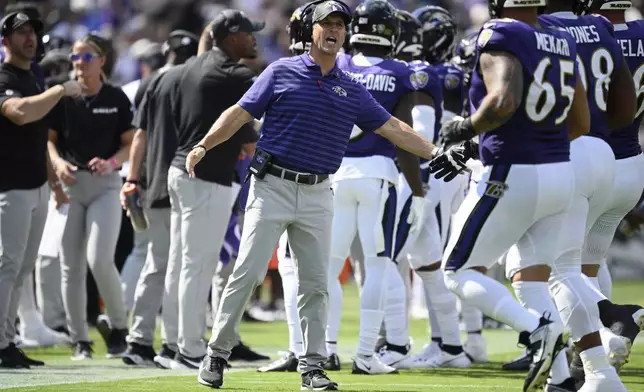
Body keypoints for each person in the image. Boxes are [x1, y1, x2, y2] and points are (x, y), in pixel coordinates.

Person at [188, 1, 441, 389]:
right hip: (271, 185)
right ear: (312, 30)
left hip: (319, 191)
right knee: (248, 273)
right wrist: (204, 145)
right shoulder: (281, 71)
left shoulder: (351, 88)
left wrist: (437, 152)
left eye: (340, 24)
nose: (334, 30)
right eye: (327, 24)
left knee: (317, 284)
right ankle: (217, 353)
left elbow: (394, 128)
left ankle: (312, 367)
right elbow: (239, 113)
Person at [429, 0, 592, 389]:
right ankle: (562, 379)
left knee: (456, 271)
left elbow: (503, 99)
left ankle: (536, 329)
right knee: (532, 281)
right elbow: (582, 121)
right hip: (559, 171)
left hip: (513, 170)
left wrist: (466, 126)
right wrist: (540, 147)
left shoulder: (502, 33)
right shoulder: (561, 39)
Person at [326, 0, 429, 375]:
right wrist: (417, 191)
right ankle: (366, 355)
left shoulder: (337, 64)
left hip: (336, 175)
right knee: (379, 266)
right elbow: (402, 135)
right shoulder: (401, 72)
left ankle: (326, 349)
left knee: (330, 268)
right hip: (379, 175)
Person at [538, 3, 637, 390]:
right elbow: (625, 106)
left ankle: (594, 342)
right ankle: (589, 367)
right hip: (617, 156)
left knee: (549, 268)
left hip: (573, 151)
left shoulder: (542, 29)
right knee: (582, 265)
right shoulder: (601, 28)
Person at [164, 9, 262, 370]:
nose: (254, 39)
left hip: (179, 170)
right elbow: (250, 139)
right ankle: (188, 349)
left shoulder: (188, 67)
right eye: (250, 33)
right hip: (207, 177)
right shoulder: (236, 74)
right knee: (197, 265)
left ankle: (171, 341)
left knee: (180, 263)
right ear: (233, 36)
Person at [378, 8, 469, 371]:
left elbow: (423, 130)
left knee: (391, 258)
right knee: (429, 263)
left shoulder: (416, 74)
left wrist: (422, 182)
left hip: (420, 175)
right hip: (427, 173)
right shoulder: (414, 70)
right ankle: (451, 346)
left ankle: (397, 344)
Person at [0, 10, 83, 368]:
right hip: (10, 185)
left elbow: (37, 137)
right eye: (21, 31)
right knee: (7, 266)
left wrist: (53, 183)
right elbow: (20, 113)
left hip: (34, 185)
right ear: (5, 39)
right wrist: (60, 89)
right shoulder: (4, 76)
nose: (30, 37)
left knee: (21, 269)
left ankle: (7, 340)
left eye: (33, 31)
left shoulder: (32, 77)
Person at [47, 32, 136, 361]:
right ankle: (79, 339)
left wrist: (112, 162)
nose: (79, 63)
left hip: (105, 186)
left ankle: (118, 328)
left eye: (86, 56)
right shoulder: (63, 95)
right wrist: (57, 165)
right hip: (71, 187)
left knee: (99, 259)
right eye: (74, 57)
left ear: (102, 60)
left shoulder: (116, 96)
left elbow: (130, 144)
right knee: (69, 266)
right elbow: (50, 142)